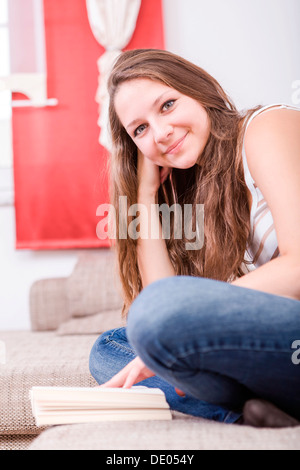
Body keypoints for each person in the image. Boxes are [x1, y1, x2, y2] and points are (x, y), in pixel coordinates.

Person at [89, 49, 300, 427]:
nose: (160, 132)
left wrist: (191, 313)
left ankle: (235, 409)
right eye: (140, 129)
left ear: (198, 90)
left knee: (151, 334)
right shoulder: (201, 193)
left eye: (167, 105)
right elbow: (158, 306)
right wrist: (146, 196)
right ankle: (258, 413)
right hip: (277, 352)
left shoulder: (267, 128)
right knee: (111, 349)